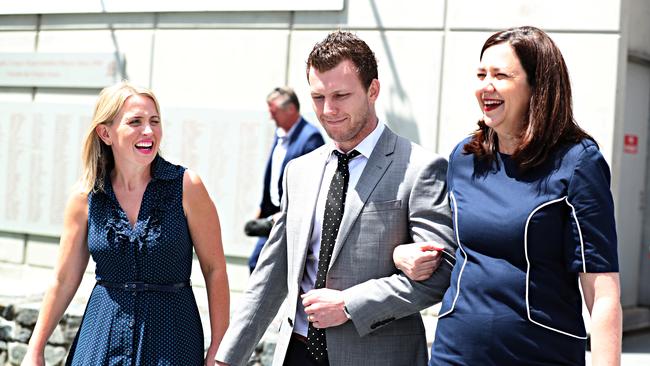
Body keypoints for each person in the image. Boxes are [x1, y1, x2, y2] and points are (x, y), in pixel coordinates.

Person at [215, 30, 456, 366]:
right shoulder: (299, 171)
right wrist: (228, 357)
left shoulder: (420, 168)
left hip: (377, 357)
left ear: (373, 90)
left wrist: (348, 305)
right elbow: (272, 273)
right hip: (295, 353)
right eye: (317, 97)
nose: (328, 110)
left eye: (341, 95)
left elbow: (441, 275)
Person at [394, 26, 622, 365]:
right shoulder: (465, 157)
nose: (486, 85)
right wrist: (401, 252)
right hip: (456, 351)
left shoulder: (577, 162)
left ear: (537, 88)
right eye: (481, 73)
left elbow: (601, 292)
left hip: (540, 355)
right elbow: (453, 247)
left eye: (501, 75)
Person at [22, 81, 230, 366]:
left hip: (172, 338)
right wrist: (36, 348)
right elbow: (63, 279)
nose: (149, 131)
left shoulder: (187, 187)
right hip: (102, 336)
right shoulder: (85, 197)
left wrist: (220, 348)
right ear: (105, 133)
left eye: (154, 121)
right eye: (136, 122)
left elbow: (214, 269)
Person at [246, 86, 325, 273]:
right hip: (273, 214)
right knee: (257, 264)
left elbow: (314, 187)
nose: (271, 117)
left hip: (292, 218)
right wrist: (262, 207)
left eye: (274, 111)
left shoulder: (310, 138)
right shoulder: (280, 134)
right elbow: (273, 174)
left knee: (264, 266)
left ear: (290, 109)